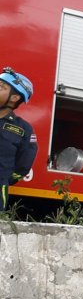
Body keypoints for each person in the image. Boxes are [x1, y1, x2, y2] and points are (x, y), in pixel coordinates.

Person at [0, 69, 38, 211]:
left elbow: (23, 165)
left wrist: (4, 180)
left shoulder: (23, 130)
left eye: (1, 87)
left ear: (14, 98)